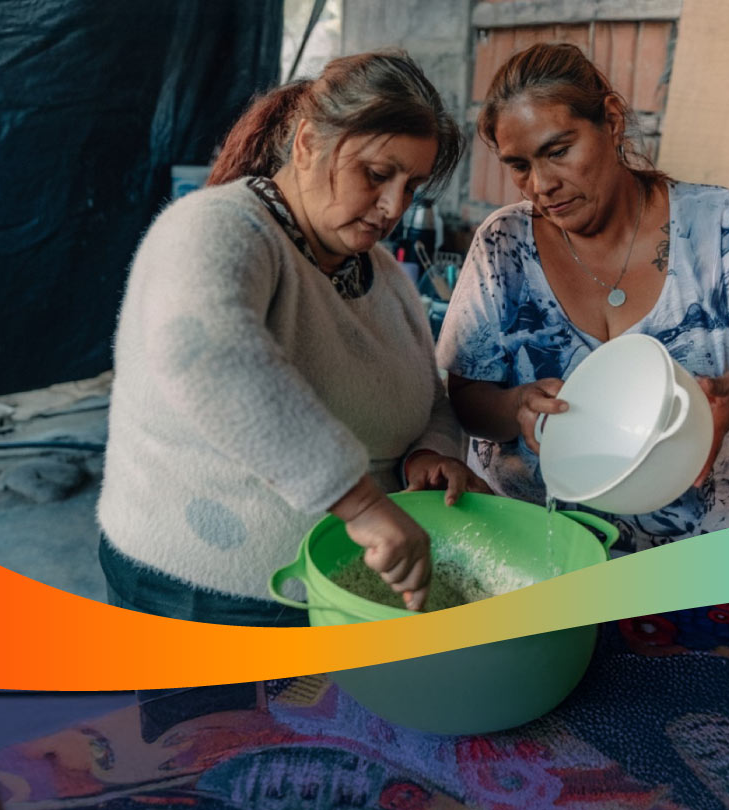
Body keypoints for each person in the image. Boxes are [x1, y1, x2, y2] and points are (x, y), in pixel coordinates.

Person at [97, 51, 487, 627]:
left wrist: (430, 451)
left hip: (338, 588)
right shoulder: (219, 227)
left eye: (412, 188)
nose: (393, 208)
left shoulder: (381, 274)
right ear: (306, 144)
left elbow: (427, 394)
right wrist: (361, 505)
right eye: (377, 175)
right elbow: (209, 359)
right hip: (203, 593)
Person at [437, 43, 729, 551]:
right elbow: (467, 401)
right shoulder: (504, 247)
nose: (541, 185)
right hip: (533, 550)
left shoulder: (717, 226)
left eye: (559, 151)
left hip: (697, 563)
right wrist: (517, 406)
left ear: (611, 120)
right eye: (519, 165)